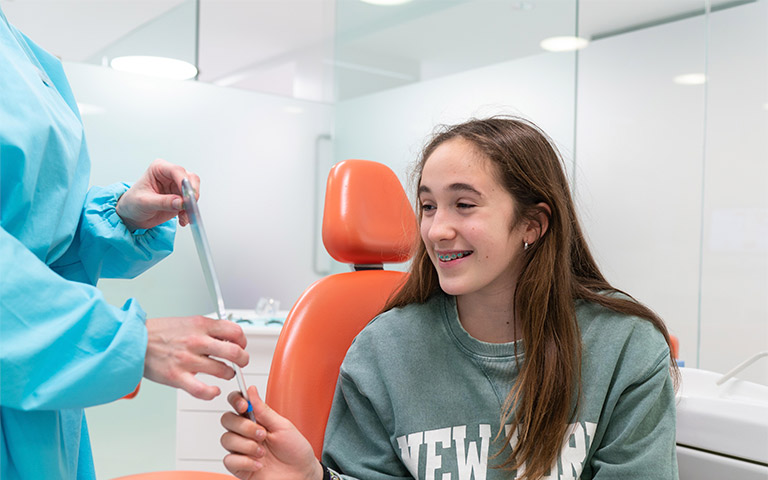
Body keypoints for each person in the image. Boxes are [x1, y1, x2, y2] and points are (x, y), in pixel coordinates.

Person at [219, 117, 680, 479]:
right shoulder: (384, 351)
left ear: (532, 224)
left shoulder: (625, 348)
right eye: (427, 205)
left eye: (464, 204)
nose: (437, 230)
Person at [0, 8, 249, 479]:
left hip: (40, 405)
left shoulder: (23, 53)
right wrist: (123, 340)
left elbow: (34, 239)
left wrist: (118, 216)